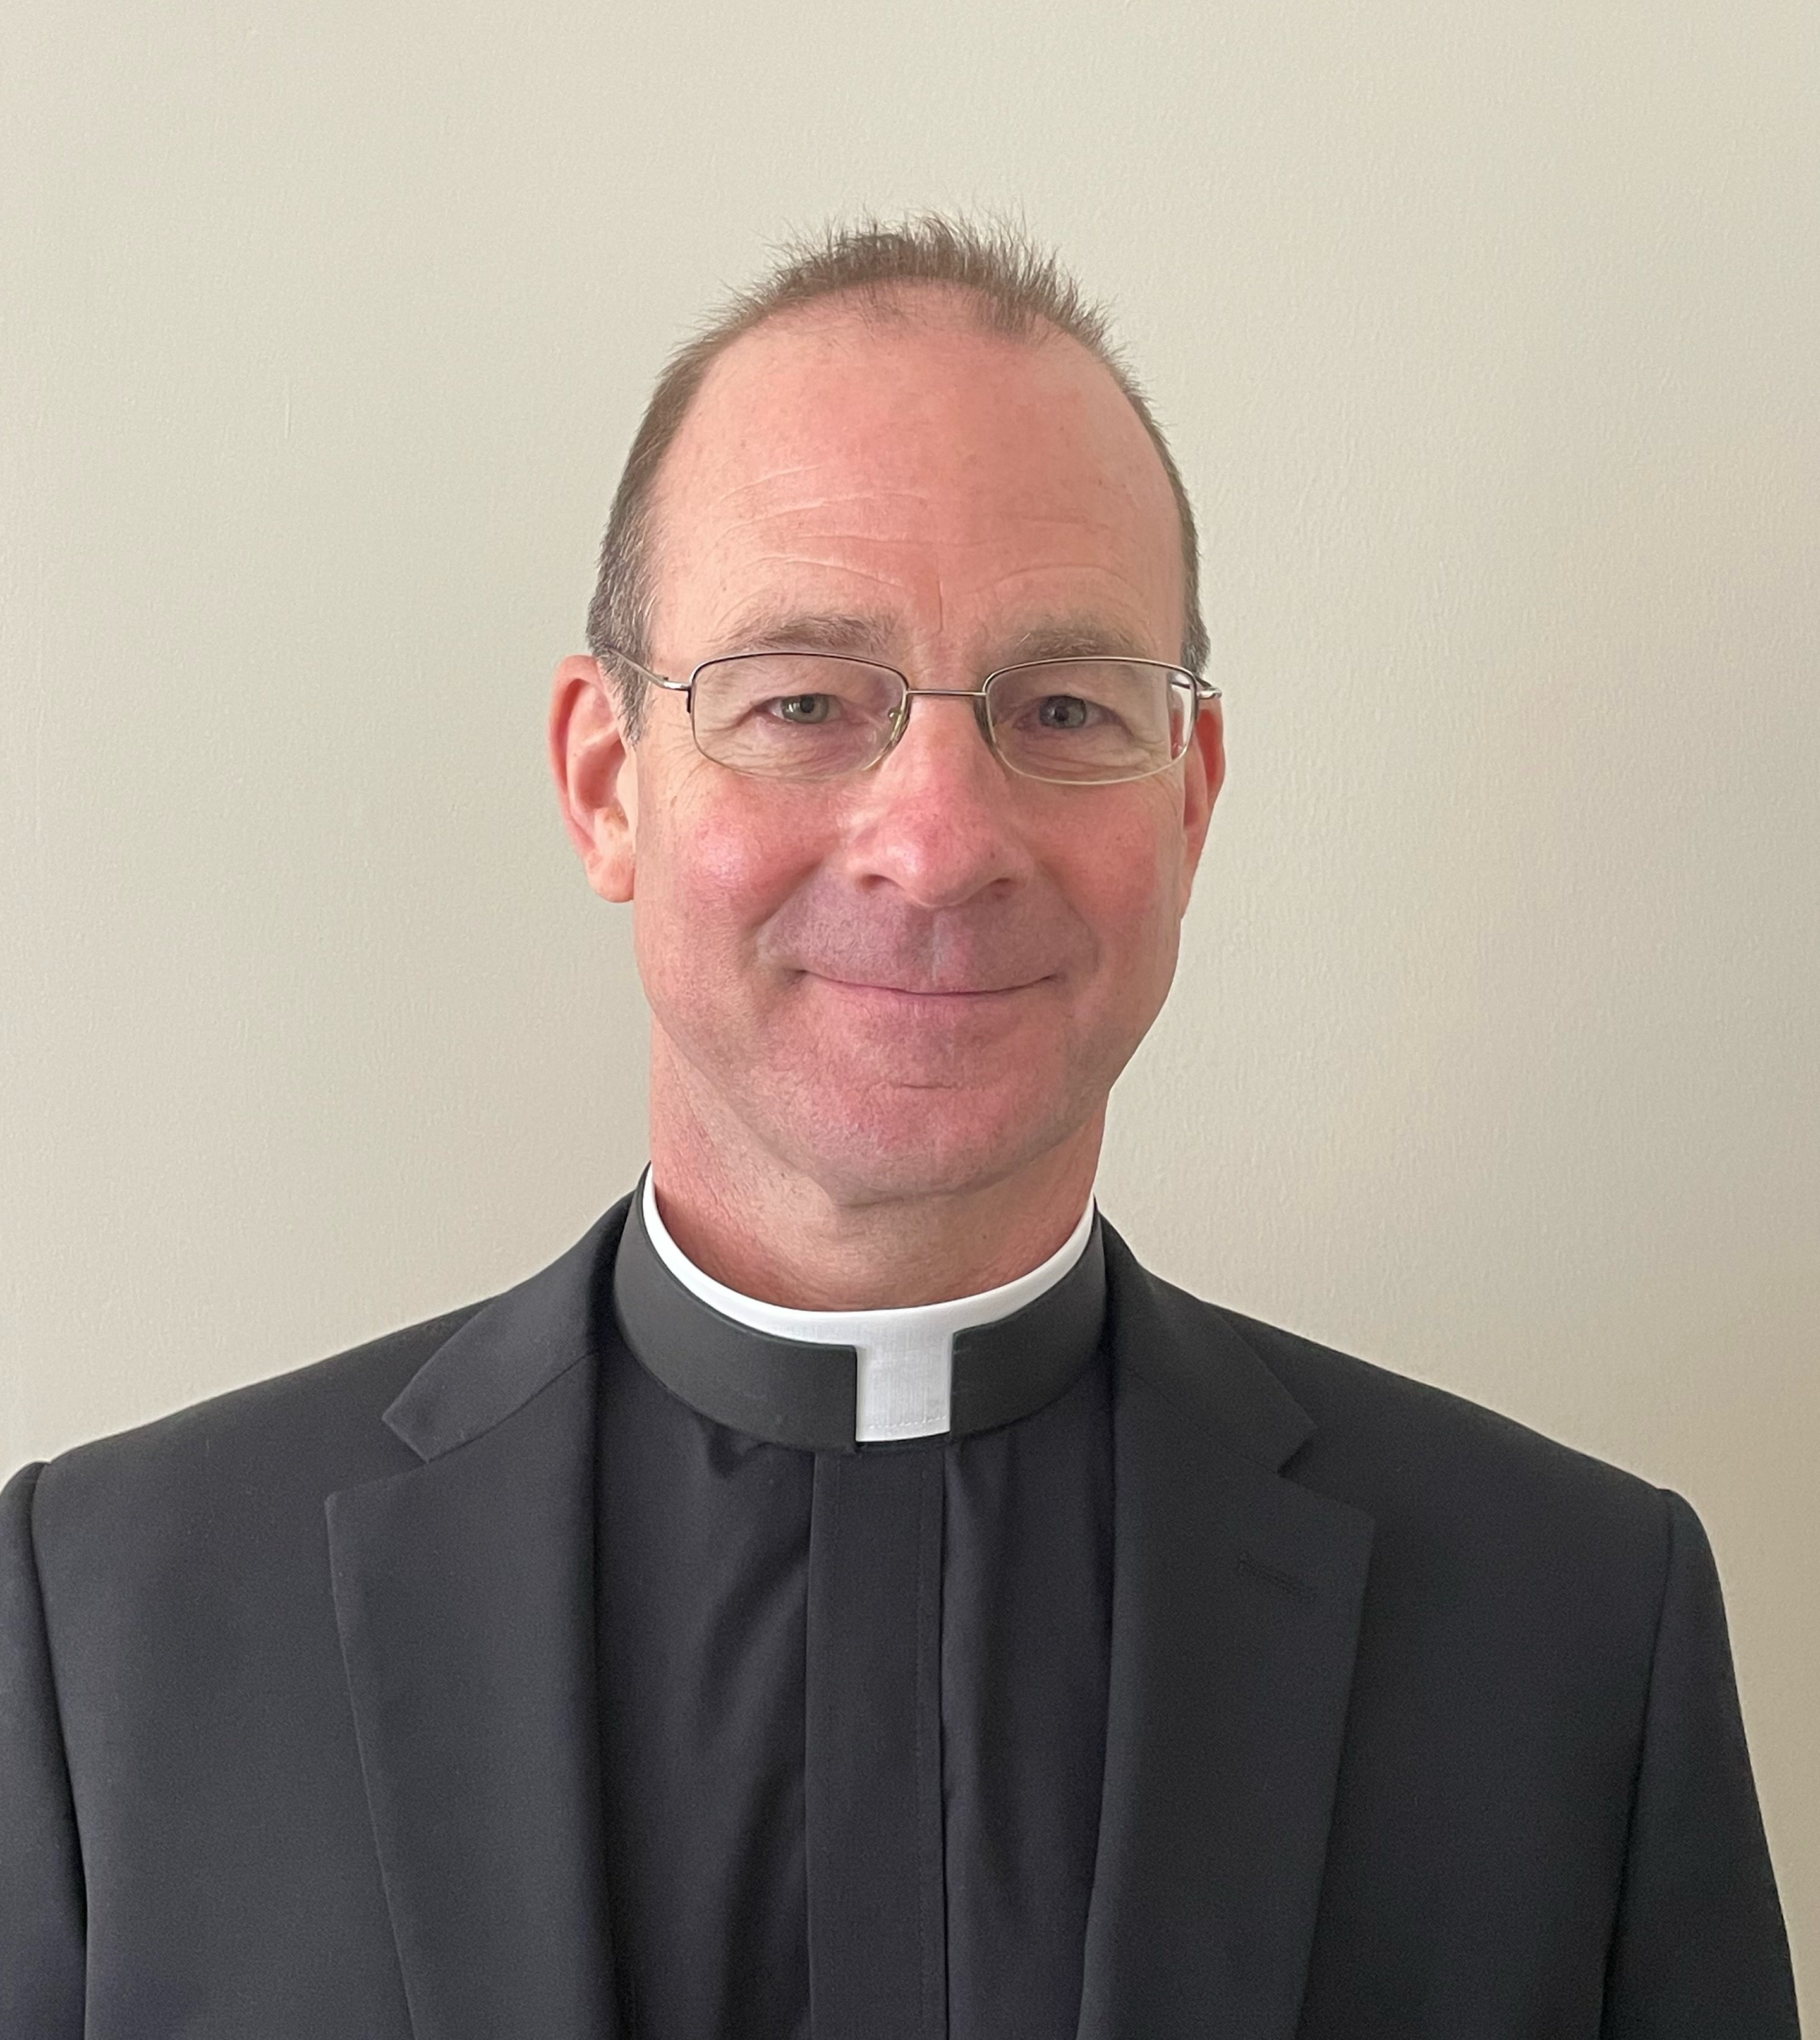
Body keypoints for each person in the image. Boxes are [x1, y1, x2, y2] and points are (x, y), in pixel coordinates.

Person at [0, 217, 1799, 2040]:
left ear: (1188, 802)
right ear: (607, 780)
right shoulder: (115, 1624)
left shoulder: (1571, 1631)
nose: (937, 839)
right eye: (801, 701)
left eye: (1067, 707)